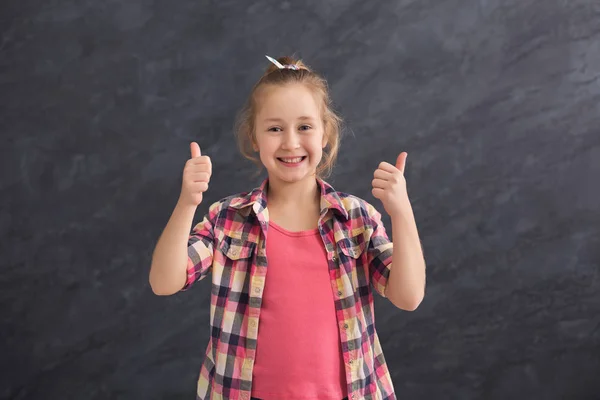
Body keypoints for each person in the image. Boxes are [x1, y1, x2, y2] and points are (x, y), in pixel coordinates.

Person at [149, 55, 427, 400]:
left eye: (305, 127)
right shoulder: (229, 218)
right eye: (275, 128)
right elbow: (164, 283)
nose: (291, 143)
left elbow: (409, 296)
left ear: (326, 133)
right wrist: (187, 202)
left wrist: (402, 212)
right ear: (255, 138)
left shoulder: (356, 218)